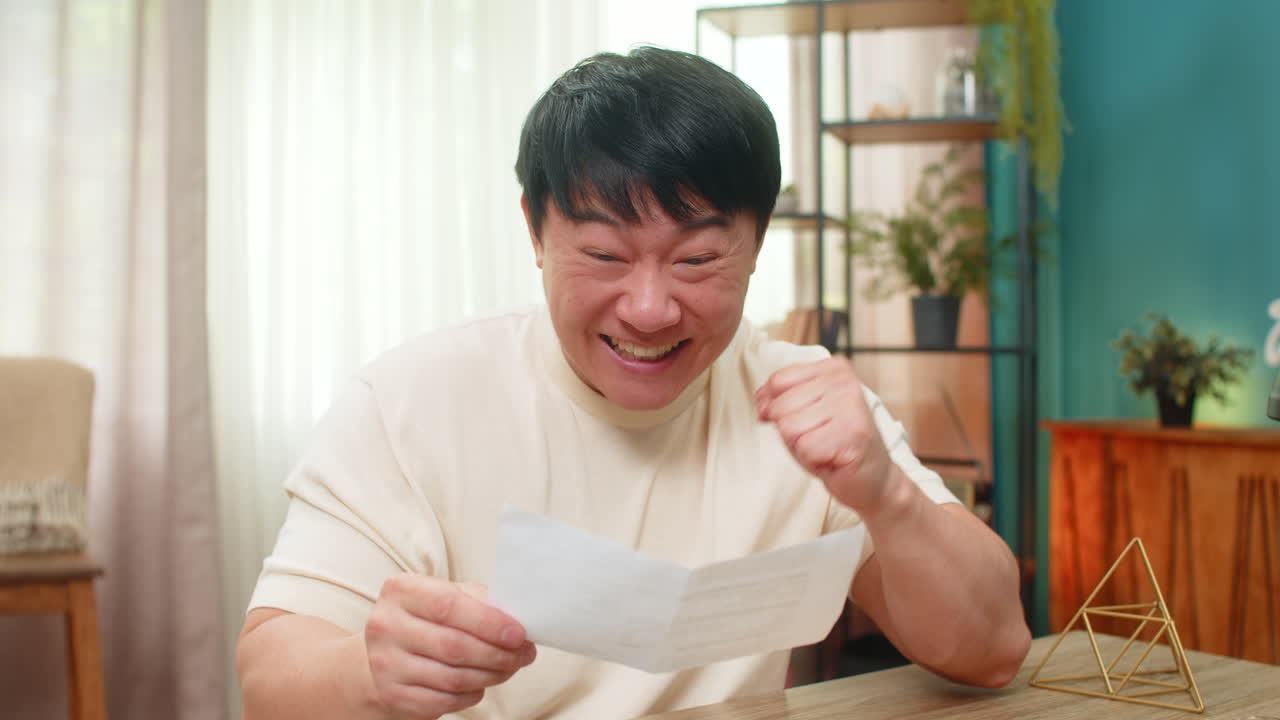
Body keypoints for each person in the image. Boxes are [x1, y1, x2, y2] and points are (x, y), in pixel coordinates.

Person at [235, 46, 1030, 720]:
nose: (649, 310)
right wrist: (371, 675)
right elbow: (268, 674)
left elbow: (993, 652)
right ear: (534, 232)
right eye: (605, 256)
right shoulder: (411, 400)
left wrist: (886, 497)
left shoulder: (807, 402)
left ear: (756, 246)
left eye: (696, 260)